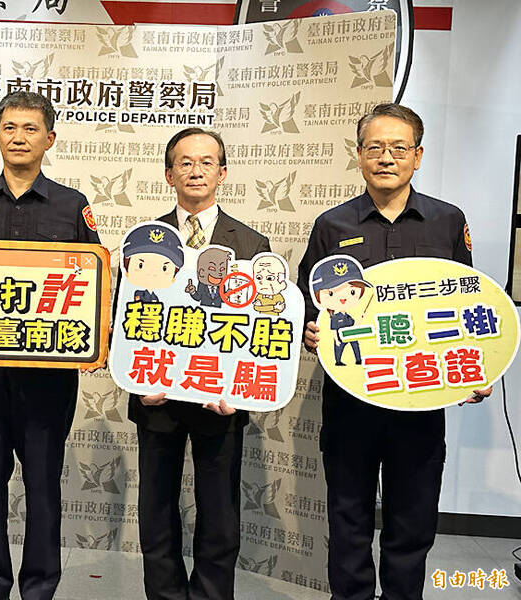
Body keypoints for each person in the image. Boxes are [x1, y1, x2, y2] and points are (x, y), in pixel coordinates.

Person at [297, 103, 491, 600]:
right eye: (375, 147)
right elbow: (303, 301)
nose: (387, 158)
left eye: (399, 148)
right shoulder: (332, 225)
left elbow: (470, 303)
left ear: (418, 156)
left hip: (420, 402)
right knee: (348, 520)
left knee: (413, 522)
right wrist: (309, 331)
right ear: (358, 155)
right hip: (350, 401)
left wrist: (477, 365)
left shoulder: (447, 221)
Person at [0, 91, 100, 600]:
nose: (19, 137)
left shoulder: (73, 206)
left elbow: (93, 283)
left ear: (49, 139)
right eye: (9, 127)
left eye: (30, 128)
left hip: (49, 379)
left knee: (43, 487)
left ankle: (39, 586)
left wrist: (93, 345)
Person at [128, 127, 269, 600]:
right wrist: (138, 378)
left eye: (206, 162)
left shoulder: (251, 243)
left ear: (222, 173)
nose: (196, 170)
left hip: (221, 399)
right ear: (169, 174)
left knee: (220, 513)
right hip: (157, 397)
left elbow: (264, 330)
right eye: (185, 162)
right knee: (156, 511)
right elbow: (126, 319)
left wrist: (241, 390)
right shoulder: (143, 241)